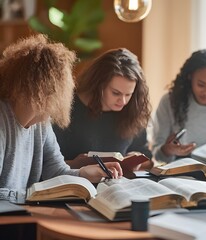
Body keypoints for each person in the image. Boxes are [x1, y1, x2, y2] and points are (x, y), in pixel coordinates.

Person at [0, 35, 122, 203]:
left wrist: (83, 173)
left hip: (25, 213)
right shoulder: (2, 120)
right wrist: (34, 196)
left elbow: (56, 170)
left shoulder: (41, 123)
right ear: (40, 91)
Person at [53, 48, 152, 166]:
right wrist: (75, 164)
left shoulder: (133, 109)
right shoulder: (66, 107)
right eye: (116, 93)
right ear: (99, 85)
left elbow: (148, 159)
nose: (123, 101)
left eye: (128, 94)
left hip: (118, 183)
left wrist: (137, 162)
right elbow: (47, 165)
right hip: (76, 182)